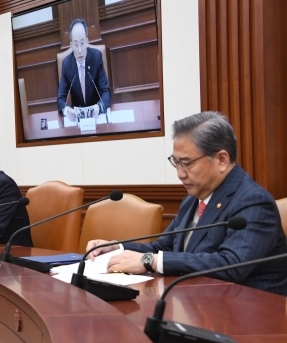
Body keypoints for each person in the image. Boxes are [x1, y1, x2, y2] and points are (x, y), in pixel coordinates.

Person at [86, 112, 287, 296]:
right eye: (176, 162)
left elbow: (231, 265)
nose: (180, 174)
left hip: (251, 320)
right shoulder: (193, 198)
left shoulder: (253, 201)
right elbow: (162, 247)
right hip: (202, 304)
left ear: (222, 160)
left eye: (187, 163)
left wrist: (150, 262)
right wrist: (117, 248)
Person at [56, 18, 111, 126]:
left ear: (87, 41)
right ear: (71, 45)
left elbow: (106, 92)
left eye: (82, 43)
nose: (80, 50)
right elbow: (60, 99)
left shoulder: (96, 57)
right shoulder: (66, 65)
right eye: (76, 45)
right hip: (78, 122)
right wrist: (67, 110)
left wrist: (99, 107)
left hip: (97, 118)